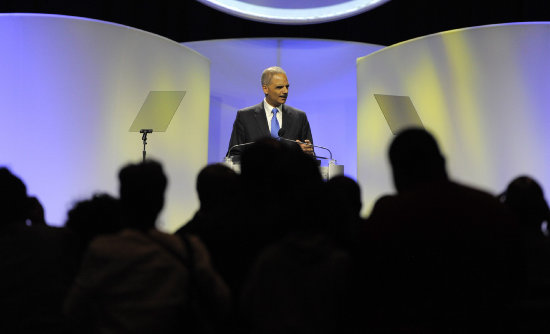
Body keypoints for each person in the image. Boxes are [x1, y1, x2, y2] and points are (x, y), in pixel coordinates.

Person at [227, 66, 314, 159]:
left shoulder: (299, 117)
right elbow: (234, 154)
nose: (285, 91)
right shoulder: (245, 116)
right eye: (279, 87)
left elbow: (310, 157)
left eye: (287, 86)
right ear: (265, 89)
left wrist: (308, 153)